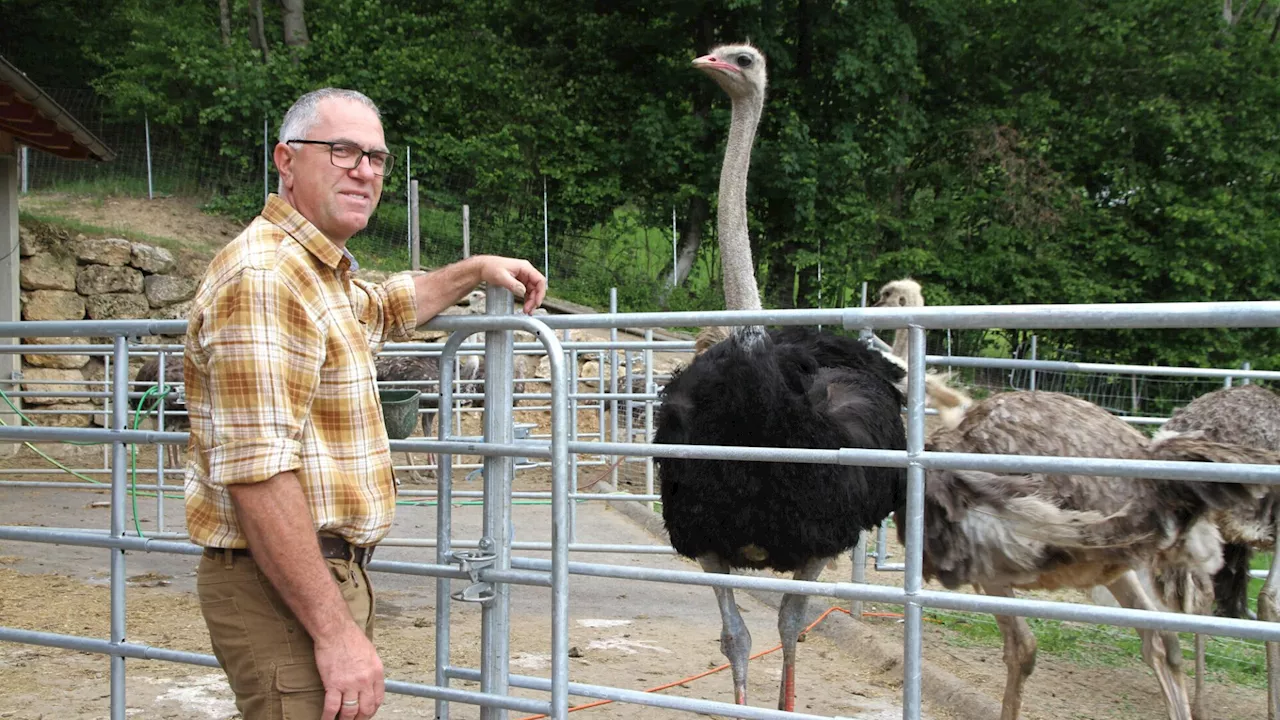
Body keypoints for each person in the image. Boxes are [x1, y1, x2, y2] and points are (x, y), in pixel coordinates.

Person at [182, 88, 546, 720]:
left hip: (310, 577)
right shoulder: (266, 280)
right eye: (342, 150)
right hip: (284, 584)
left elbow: (380, 308)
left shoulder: (312, 271)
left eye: (376, 157)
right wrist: (335, 632)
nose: (365, 170)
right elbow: (258, 473)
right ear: (287, 161)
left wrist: (473, 270)